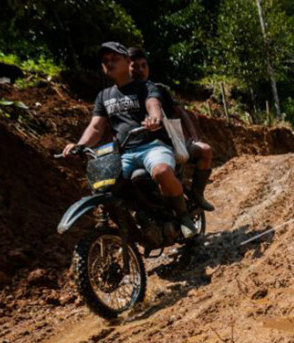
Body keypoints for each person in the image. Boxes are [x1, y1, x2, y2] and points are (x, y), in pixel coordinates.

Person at [63, 42, 198, 238]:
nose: (109, 63)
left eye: (115, 59)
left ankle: (184, 216)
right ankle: (138, 228)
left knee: (161, 171)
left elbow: (153, 104)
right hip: (124, 153)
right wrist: (79, 145)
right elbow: (95, 127)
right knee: (105, 188)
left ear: (128, 62)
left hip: (153, 146)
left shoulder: (145, 86)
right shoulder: (104, 96)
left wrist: (154, 118)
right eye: (105, 61)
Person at [128, 47, 215, 212]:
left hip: (171, 144)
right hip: (137, 149)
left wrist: (194, 138)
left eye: (143, 65)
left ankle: (197, 195)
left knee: (205, 150)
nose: (140, 70)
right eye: (135, 66)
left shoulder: (158, 89)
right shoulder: (119, 95)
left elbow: (180, 112)